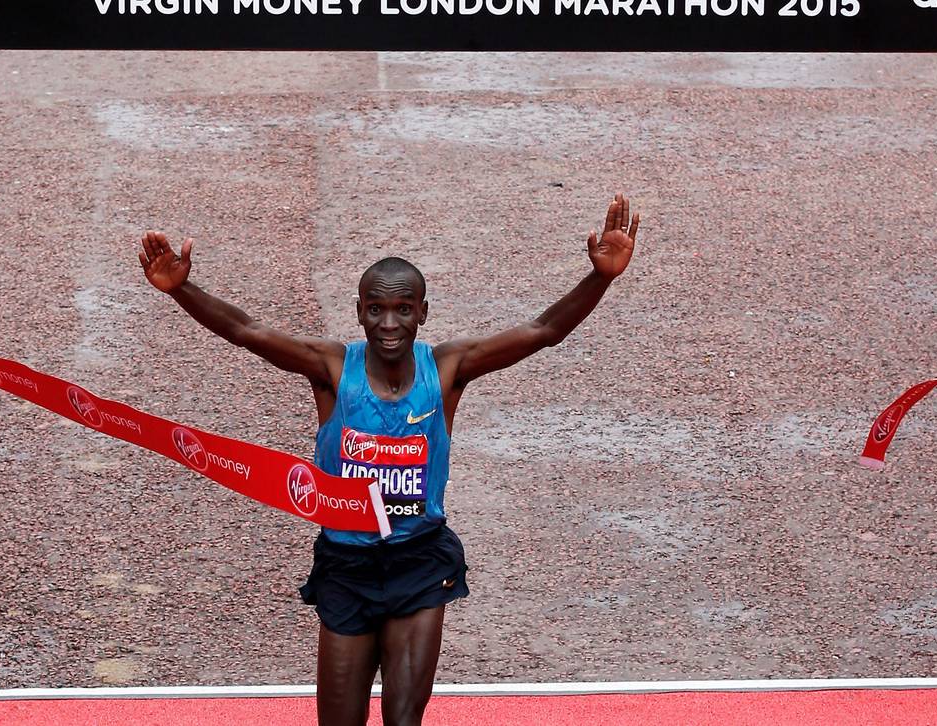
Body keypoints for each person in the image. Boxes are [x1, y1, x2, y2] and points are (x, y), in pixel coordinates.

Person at [137, 193, 640, 726]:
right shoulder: (332, 367)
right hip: (346, 565)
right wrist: (182, 289)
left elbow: (543, 332)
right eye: (375, 309)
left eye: (403, 309)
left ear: (423, 312)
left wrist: (600, 278)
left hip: (418, 562)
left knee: (403, 721)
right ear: (359, 311)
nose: (389, 323)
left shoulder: (448, 368)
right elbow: (247, 333)